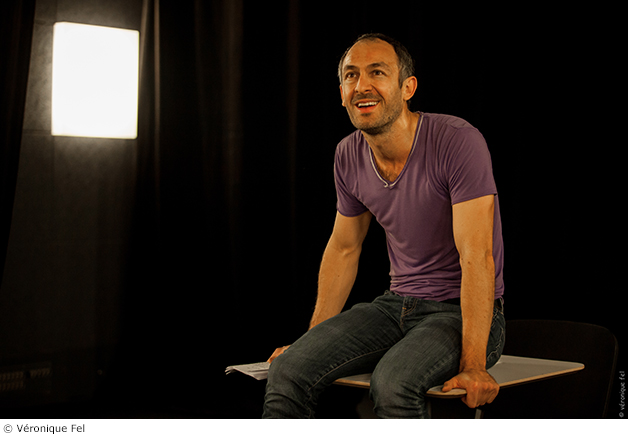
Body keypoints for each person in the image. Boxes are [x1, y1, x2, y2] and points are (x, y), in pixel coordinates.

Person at [262, 33, 505, 419]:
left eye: (377, 72)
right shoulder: (348, 154)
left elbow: (477, 254)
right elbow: (344, 249)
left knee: (392, 383)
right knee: (289, 369)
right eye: (351, 75)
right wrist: (312, 343)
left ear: (407, 87)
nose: (362, 86)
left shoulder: (457, 141)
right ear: (342, 93)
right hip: (395, 305)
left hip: (458, 311)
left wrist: (474, 364)